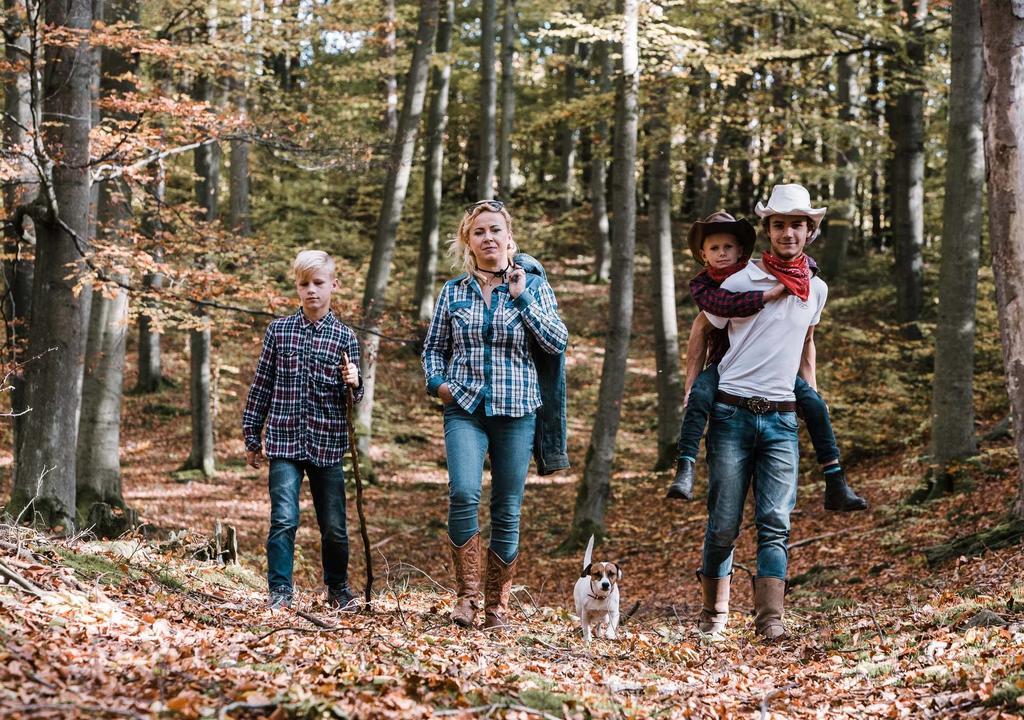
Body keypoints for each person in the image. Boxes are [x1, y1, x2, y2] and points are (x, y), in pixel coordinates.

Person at [695, 184, 834, 642]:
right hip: (732, 414)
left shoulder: (816, 289)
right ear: (768, 231)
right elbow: (702, 328)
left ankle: (769, 619)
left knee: (776, 521)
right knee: (724, 522)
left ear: (810, 231)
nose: (789, 232)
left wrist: (810, 397)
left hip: (781, 420)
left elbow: (807, 342)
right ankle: (713, 616)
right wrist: (691, 386)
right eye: (779, 224)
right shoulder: (738, 280)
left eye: (797, 224)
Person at [421, 200, 568, 630]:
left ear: (509, 239)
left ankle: (496, 606)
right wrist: (438, 384)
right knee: (464, 492)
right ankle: (466, 597)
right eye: (479, 231)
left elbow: (557, 342)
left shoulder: (533, 287)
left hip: (517, 409)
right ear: (468, 241)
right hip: (464, 408)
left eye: (495, 231)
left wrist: (522, 299)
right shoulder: (453, 291)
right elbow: (433, 349)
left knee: (507, 507)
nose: (488, 238)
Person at [666, 212, 867, 514]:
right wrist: (690, 382)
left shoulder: (803, 281)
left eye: (728, 248)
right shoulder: (723, 283)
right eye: (715, 248)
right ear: (702, 255)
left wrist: (811, 388)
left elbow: (807, 340)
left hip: (777, 376)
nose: (722, 254)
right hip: (725, 366)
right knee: (698, 397)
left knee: (815, 406)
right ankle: (685, 466)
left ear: (741, 251)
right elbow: (706, 323)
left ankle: (835, 480)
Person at [242, 250, 363, 611]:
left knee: (334, 525)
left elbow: (355, 397)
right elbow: (261, 384)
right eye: (304, 284)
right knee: (283, 518)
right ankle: (280, 590)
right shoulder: (278, 332)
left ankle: (338, 587)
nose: (312, 291)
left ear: (333, 286)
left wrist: (354, 383)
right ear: (296, 287)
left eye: (319, 283)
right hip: (284, 441)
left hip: (327, 444)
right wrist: (252, 434)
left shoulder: (345, 338)